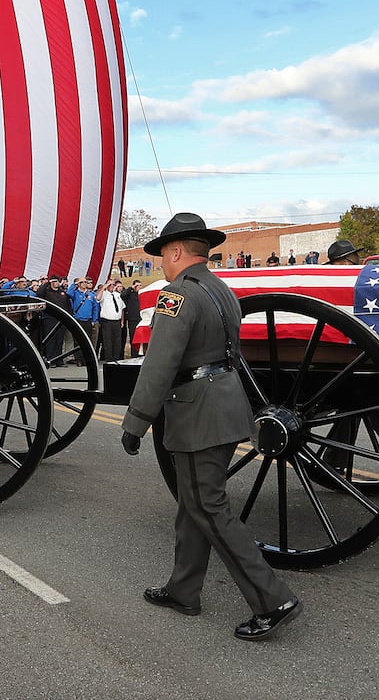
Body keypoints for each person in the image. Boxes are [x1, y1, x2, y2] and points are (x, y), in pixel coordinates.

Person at [120, 212, 301, 641]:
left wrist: (136, 421)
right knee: (193, 502)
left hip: (196, 412)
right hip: (223, 404)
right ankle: (184, 590)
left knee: (209, 506)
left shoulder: (176, 296)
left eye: (163, 255)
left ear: (177, 251)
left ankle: (272, 599)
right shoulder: (222, 288)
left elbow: (159, 364)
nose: (162, 264)